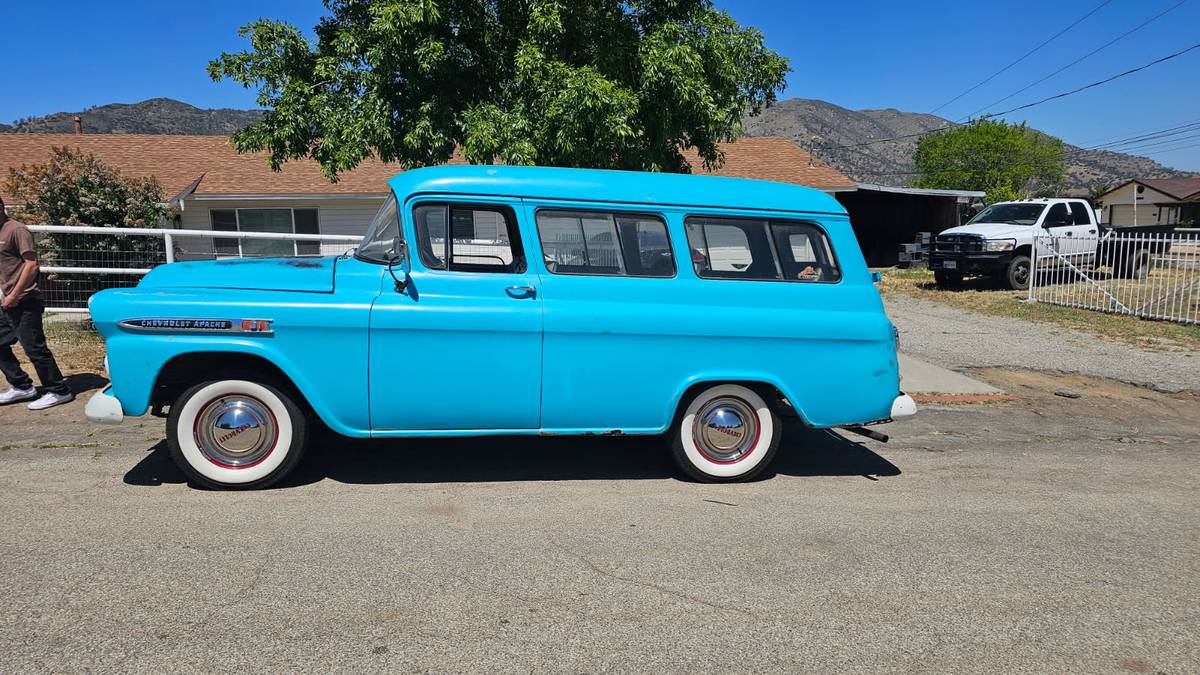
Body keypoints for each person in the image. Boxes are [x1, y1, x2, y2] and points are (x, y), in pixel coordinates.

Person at [0, 196, 74, 409]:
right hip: (6, 301)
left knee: (34, 348)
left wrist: (14, 295)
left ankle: (59, 390)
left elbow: (31, 265)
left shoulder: (16, 230)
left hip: (24, 300)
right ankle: (22, 386)